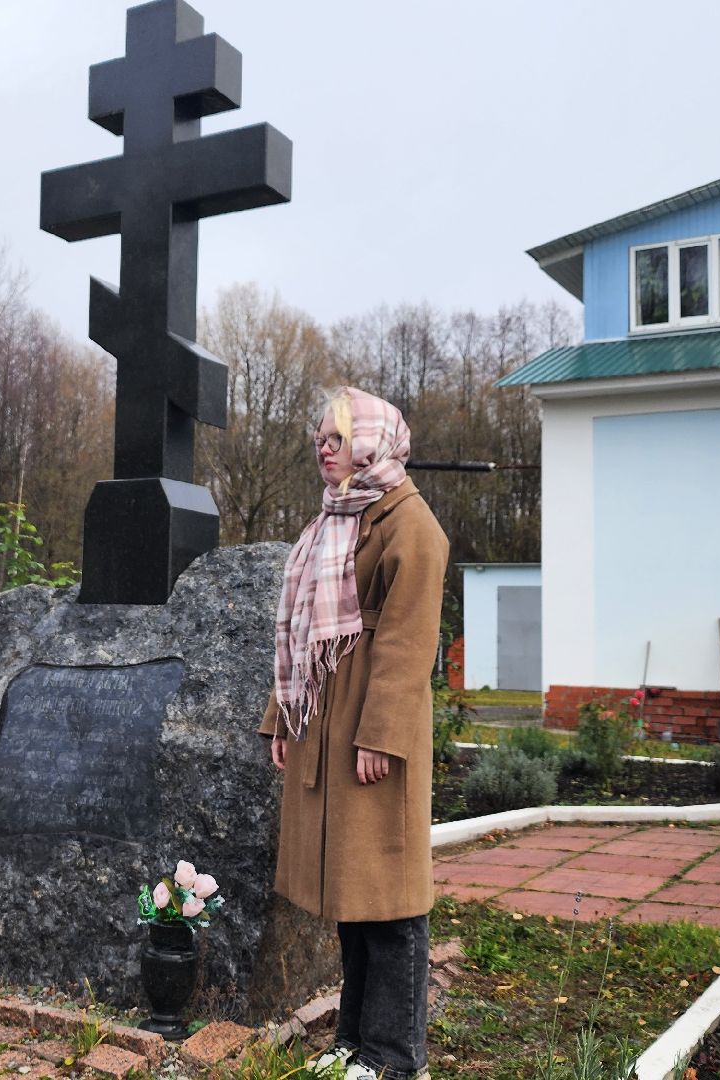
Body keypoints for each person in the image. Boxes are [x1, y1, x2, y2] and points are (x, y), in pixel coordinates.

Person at [260, 387, 447, 1080]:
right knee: (352, 900)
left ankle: (395, 1058)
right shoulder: (333, 522)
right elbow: (302, 634)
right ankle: (355, 1041)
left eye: (338, 436)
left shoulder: (410, 524)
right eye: (320, 436)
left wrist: (381, 737)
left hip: (372, 736)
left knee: (389, 902)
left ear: (373, 442)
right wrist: (281, 719)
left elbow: (404, 645)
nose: (324, 446)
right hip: (327, 726)